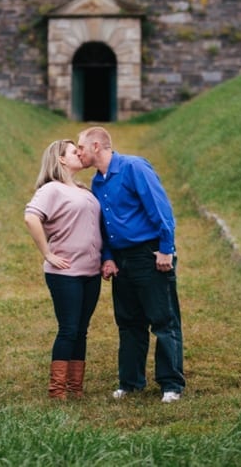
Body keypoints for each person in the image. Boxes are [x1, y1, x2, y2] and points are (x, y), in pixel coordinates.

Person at [76, 126, 185, 403]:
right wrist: (108, 257)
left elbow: (161, 209)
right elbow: (106, 224)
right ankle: (131, 382)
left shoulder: (134, 167)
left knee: (163, 321)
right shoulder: (98, 182)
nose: (78, 153)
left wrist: (165, 249)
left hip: (149, 255)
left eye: (81, 147)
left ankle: (171, 385)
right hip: (122, 260)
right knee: (128, 322)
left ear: (97, 146)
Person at [24, 139, 103, 399]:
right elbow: (31, 216)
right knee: (69, 329)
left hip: (91, 272)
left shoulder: (84, 190)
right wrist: (47, 253)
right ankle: (57, 390)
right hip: (65, 273)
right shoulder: (52, 190)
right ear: (60, 159)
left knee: (81, 330)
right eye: (73, 151)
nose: (79, 154)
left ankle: (75, 388)